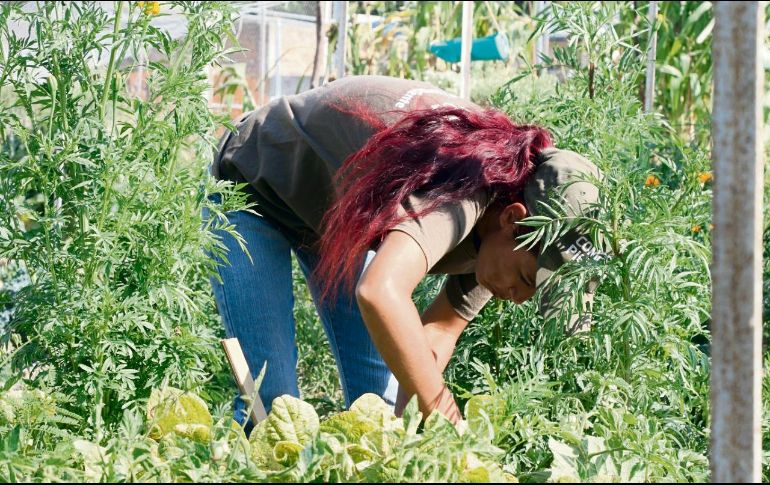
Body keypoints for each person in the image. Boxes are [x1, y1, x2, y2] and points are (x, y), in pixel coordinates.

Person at [206, 75, 601, 429]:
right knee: (273, 410)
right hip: (252, 183)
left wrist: (408, 439)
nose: (522, 297)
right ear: (513, 221)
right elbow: (380, 293)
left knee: (379, 405)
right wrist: (446, 421)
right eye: (529, 280)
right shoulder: (459, 189)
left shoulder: (501, 235)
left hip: (330, 213)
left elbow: (438, 334)